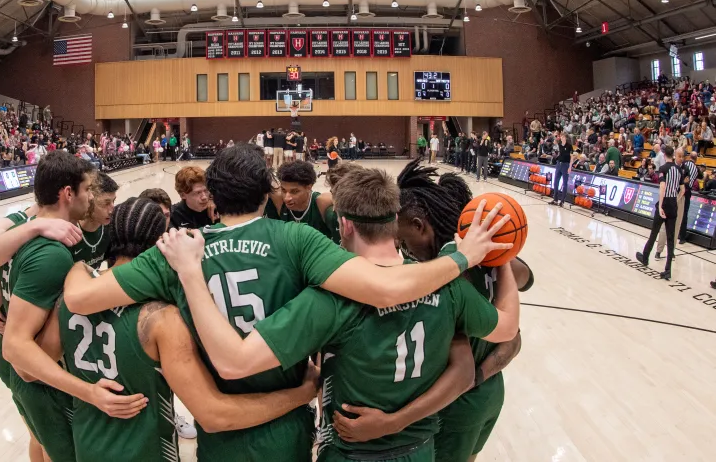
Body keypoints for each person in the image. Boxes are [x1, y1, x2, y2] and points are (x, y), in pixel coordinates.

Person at [61, 144, 512, 462]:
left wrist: (75, 258)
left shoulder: (178, 250)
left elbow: (80, 298)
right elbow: (387, 286)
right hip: (289, 425)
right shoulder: (297, 240)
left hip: (220, 427)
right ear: (267, 194)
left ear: (213, 198)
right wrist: (466, 257)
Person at [22, 197, 318, 461]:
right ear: (159, 244)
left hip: (87, 445)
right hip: (146, 451)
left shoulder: (71, 295)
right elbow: (215, 414)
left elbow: (29, 371)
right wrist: (301, 393)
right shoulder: (162, 318)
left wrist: (86, 391)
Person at [0, 153, 137, 462]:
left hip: (36, 372)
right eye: (88, 190)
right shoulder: (52, 254)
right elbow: (15, 347)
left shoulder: (44, 237)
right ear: (68, 193)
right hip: (39, 378)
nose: (91, 197)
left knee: (43, 445)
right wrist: (88, 392)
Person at [389, 162, 532, 462]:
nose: (402, 248)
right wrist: (502, 251)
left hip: (457, 404)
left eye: (402, 239)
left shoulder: (446, 275)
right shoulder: (493, 260)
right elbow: (525, 289)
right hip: (490, 391)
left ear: (419, 225)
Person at [636, 145, 683, 280]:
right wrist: (675, 198)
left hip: (664, 203)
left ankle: (645, 257)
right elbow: (683, 190)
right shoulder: (678, 170)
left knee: (654, 232)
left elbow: (662, 187)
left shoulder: (663, 169)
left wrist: (661, 205)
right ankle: (668, 270)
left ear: (663, 155)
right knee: (670, 237)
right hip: (673, 203)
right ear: (672, 155)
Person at [265, 160, 336, 240]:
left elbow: (342, 197)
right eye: (284, 190)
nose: (287, 198)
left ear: (309, 187)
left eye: (294, 191)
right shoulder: (279, 199)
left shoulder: (320, 201)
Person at [655, 147, 692, 260]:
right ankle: (658, 250)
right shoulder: (669, 167)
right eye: (679, 156)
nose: (681, 158)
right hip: (668, 197)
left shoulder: (685, 168)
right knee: (664, 227)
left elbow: (686, 184)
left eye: (683, 156)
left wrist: (678, 197)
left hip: (679, 198)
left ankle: (671, 251)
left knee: (676, 226)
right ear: (675, 155)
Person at [678, 152, 699, 245]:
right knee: (684, 213)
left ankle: (675, 232)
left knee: (676, 211)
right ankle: (682, 237)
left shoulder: (684, 164)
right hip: (687, 191)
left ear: (690, 157)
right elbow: (701, 176)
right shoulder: (696, 168)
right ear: (696, 159)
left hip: (678, 189)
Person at [548, 133, 573, 207]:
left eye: (563, 137)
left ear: (566, 138)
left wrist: (570, 167)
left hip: (566, 165)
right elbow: (556, 153)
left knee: (565, 184)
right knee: (556, 182)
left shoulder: (569, 146)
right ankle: (555, 199)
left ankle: (562, 201)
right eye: (561, 137)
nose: (562, 138)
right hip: (559, 164)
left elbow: (571, 157)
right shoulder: (558, 145)